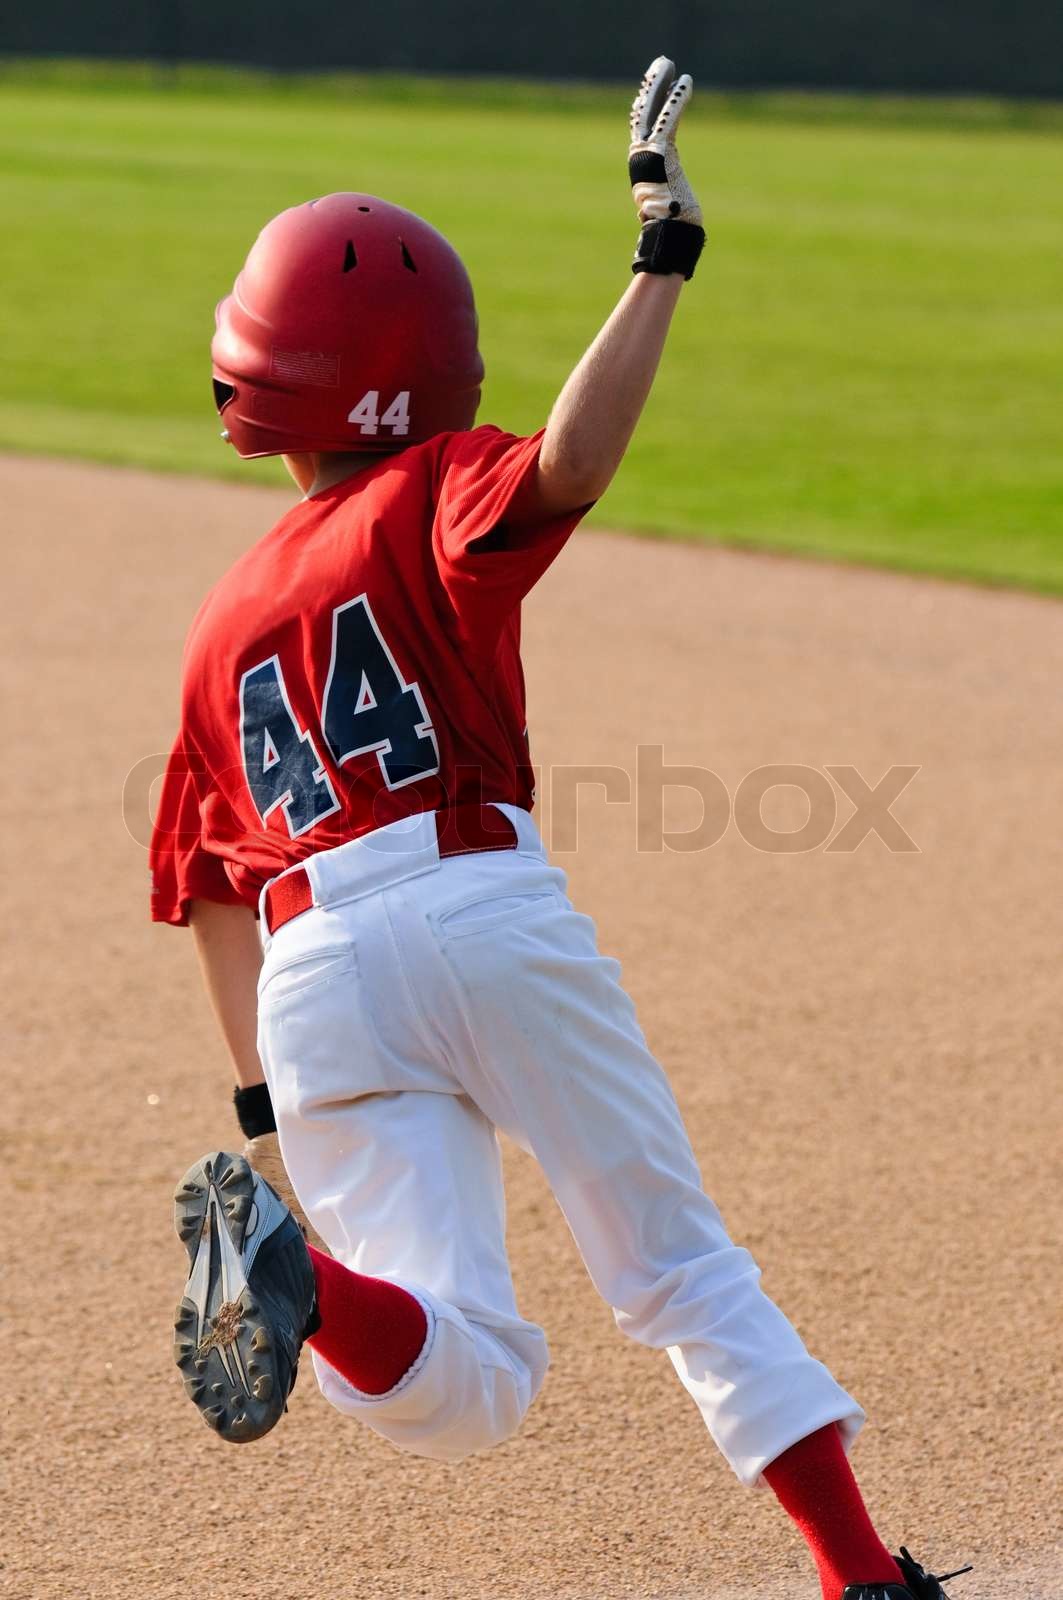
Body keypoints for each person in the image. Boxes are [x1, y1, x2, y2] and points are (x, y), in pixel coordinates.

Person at [151, 58, 969, 1600]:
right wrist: (660, 262)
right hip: (478, 909)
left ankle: (306, 1281)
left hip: (309, 967)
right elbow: (573, 463)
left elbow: (206, 899)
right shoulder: (437, 484)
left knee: (462, 1384)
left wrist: (267, 1118)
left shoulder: (213, 630)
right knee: (669, 1263)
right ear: (425, 371)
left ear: (251, 383)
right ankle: (862, 1577)